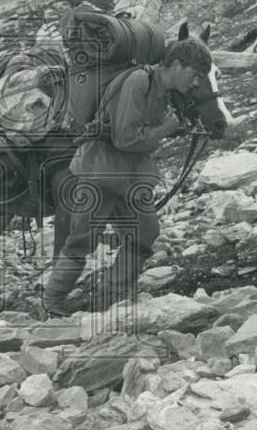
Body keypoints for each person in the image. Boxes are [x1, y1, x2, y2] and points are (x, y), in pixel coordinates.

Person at [43, 38, 209, 316]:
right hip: (101, 172)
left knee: (145, 233)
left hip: (130, 178)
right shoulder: (138, 82)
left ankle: (111, 299)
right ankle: (52, 302)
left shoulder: (162, 91)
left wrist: (176, 127)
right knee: (83, 239)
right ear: (176, 65)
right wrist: (166, 129)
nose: (195, 84)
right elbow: (125, 138)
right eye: (194, 75)